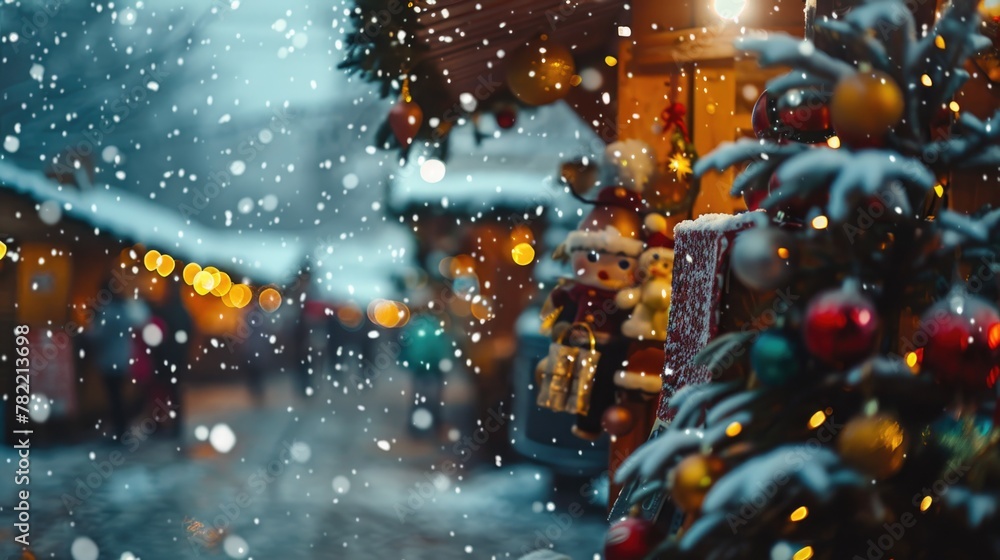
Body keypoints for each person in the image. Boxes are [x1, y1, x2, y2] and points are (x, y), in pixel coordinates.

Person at [89, 282, 148, 440]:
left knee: (114, 398)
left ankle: (119, 431)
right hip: (123, 358)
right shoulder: (125, 311)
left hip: (110, 359)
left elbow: (97, 335)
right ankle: (122, 429)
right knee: (119, 396)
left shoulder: (108, 313)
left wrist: (87, 330)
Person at [148, 280, 192, 436]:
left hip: (164, 357)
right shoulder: (183, 311)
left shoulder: (165, 311)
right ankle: (174, 425)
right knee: (173, 392)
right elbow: (188, 335)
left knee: (163, 391)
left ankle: (161, 424)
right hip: (176, 358)